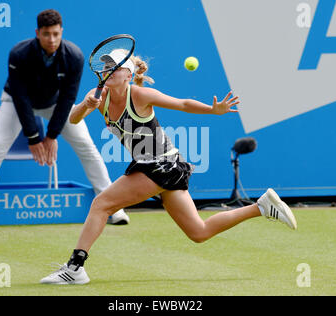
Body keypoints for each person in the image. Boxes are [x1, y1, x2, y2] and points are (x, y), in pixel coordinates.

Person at [40, 50, 297, 285]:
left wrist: (213, 110)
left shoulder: (139, 94)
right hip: (160, 165)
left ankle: (75, 267)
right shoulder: (100, 97)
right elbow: (72, 120)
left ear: (128, 75)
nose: (107, 70)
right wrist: (86, 105)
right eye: (105, 66)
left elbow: (183, 103)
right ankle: (261, 206)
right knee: (199, 232)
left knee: (101, 204)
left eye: (114, 67)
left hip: (159, 164)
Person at [0, 10, 129, 229]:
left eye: (56, 34)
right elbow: (20, 97)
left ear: (62, 32)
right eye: (46, 34)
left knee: (87, 146)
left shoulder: (74, 56)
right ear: (37, 33)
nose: (52, 39)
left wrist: (51, 136)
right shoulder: (19, 54)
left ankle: (113, 207)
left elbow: (68, 98)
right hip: (16, 101)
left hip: (55, 104)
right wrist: (34, 138)